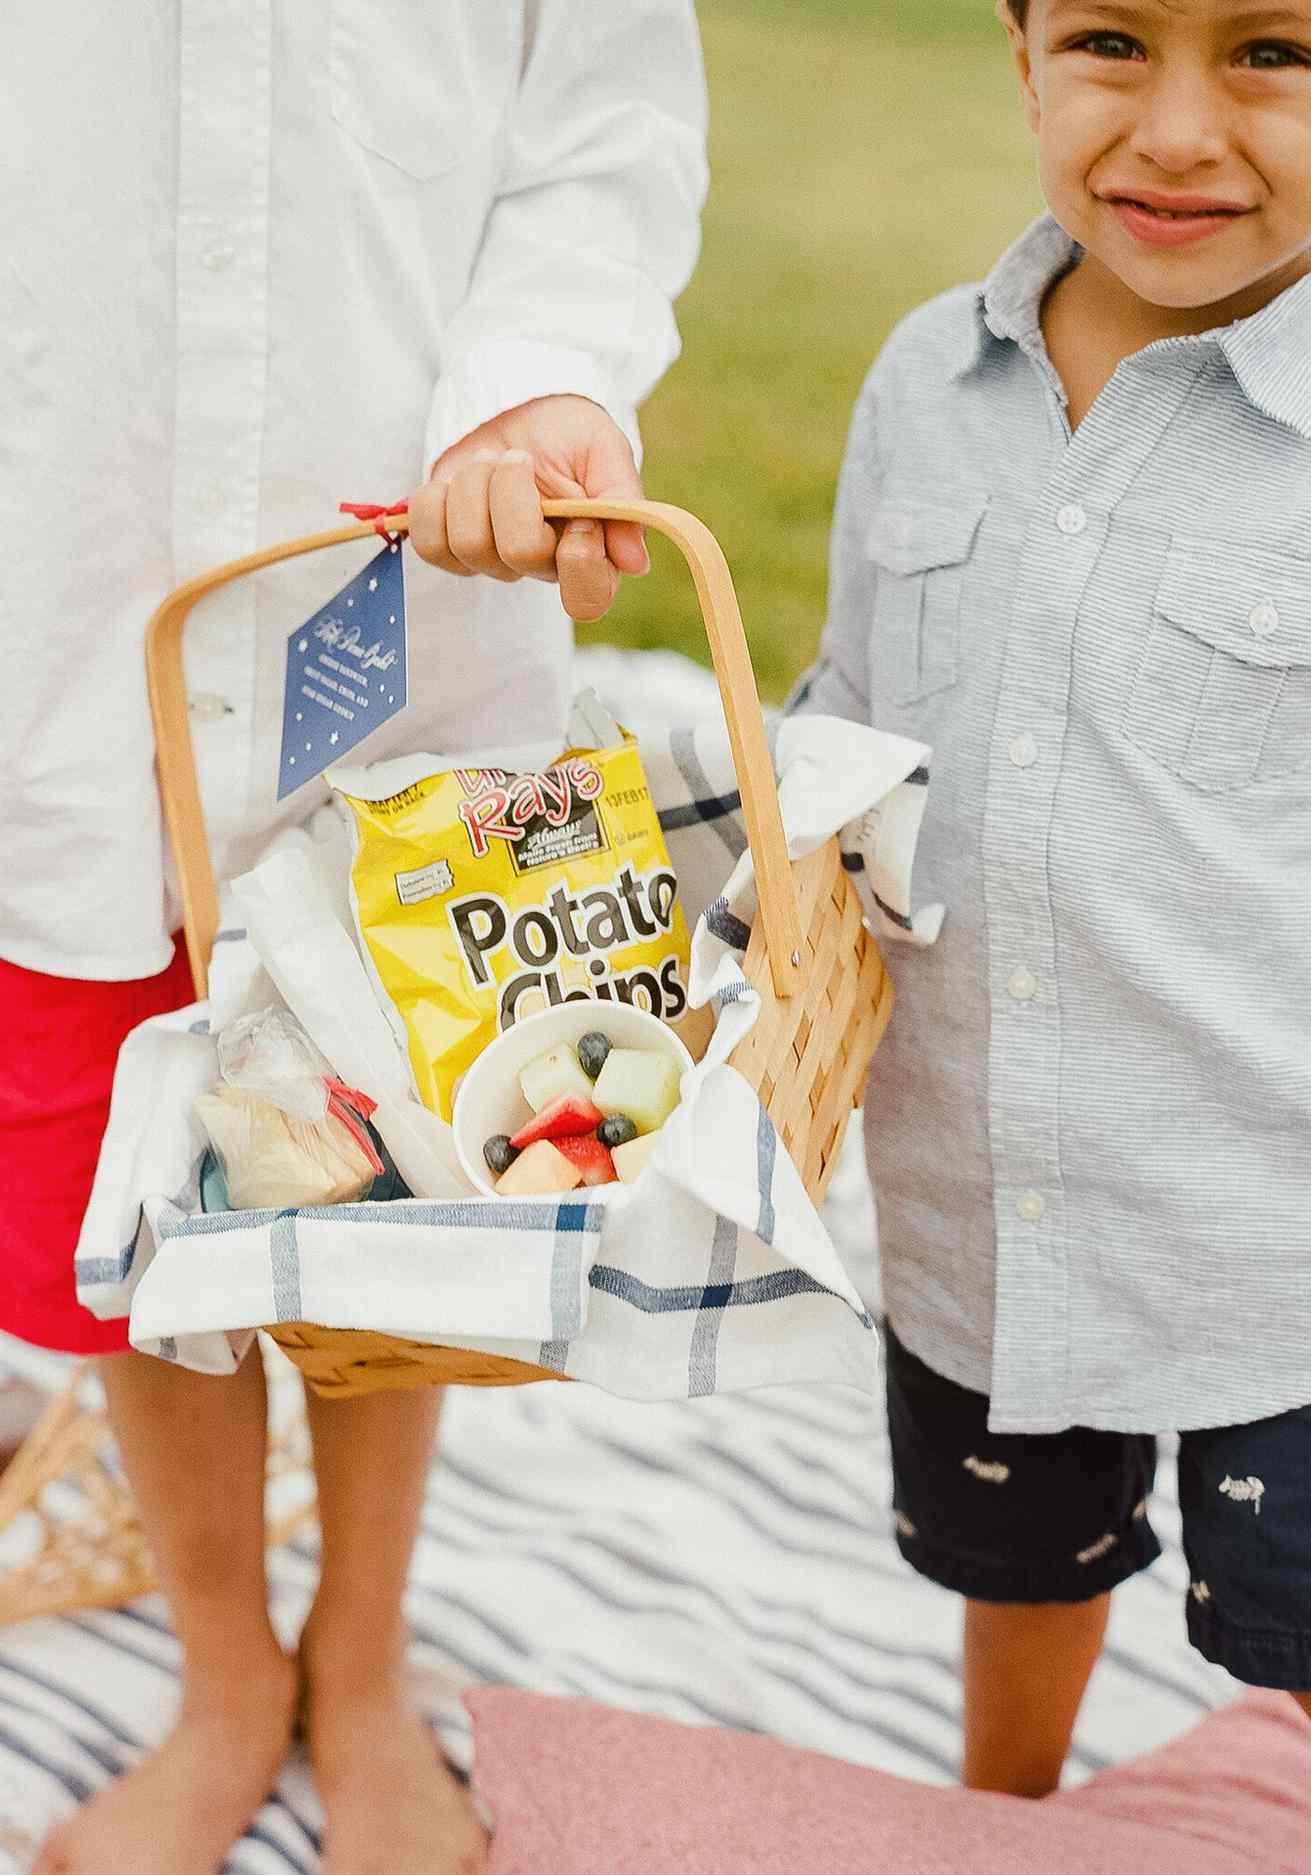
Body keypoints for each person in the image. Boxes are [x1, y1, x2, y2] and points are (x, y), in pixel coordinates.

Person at [792, 0, 1311, 1865]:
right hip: (975, 1207)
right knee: (1016, 1564)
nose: (1180, 129)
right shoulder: (916, 387)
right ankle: (996, 1824)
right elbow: (849, 711)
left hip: (1290, 1248)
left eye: (1268, 52)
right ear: (1021, 56)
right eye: (1113, 40)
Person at [1, 5, 706, 1873]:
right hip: (62, 614)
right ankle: (226, 1678)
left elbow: (599, 132)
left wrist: (536, 380)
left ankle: (362, 1662)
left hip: (413, 621)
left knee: (403, 1201)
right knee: (143, 1222)